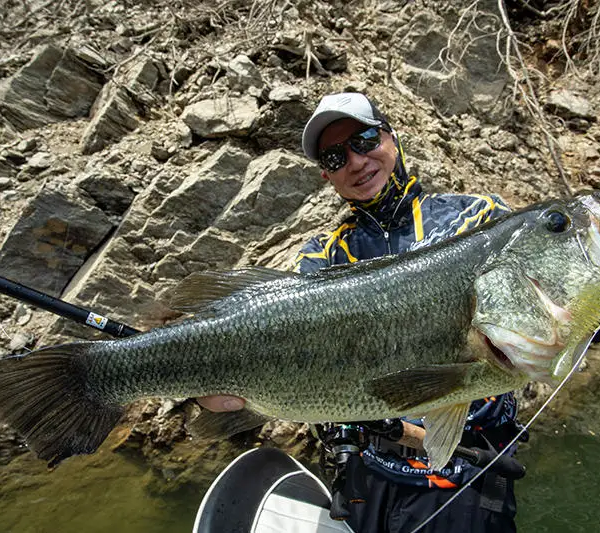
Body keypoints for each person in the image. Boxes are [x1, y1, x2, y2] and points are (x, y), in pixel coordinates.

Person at [198, 92, 522, 533]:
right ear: (327, 174)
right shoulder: (321, 258)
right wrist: (212, 389)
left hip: (468, 469)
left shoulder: (480, 220)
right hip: (364, 476)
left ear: (392, 138)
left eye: (365, 140)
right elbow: (284, 355)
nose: (355, 161)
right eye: (335, 156)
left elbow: (554, 312)